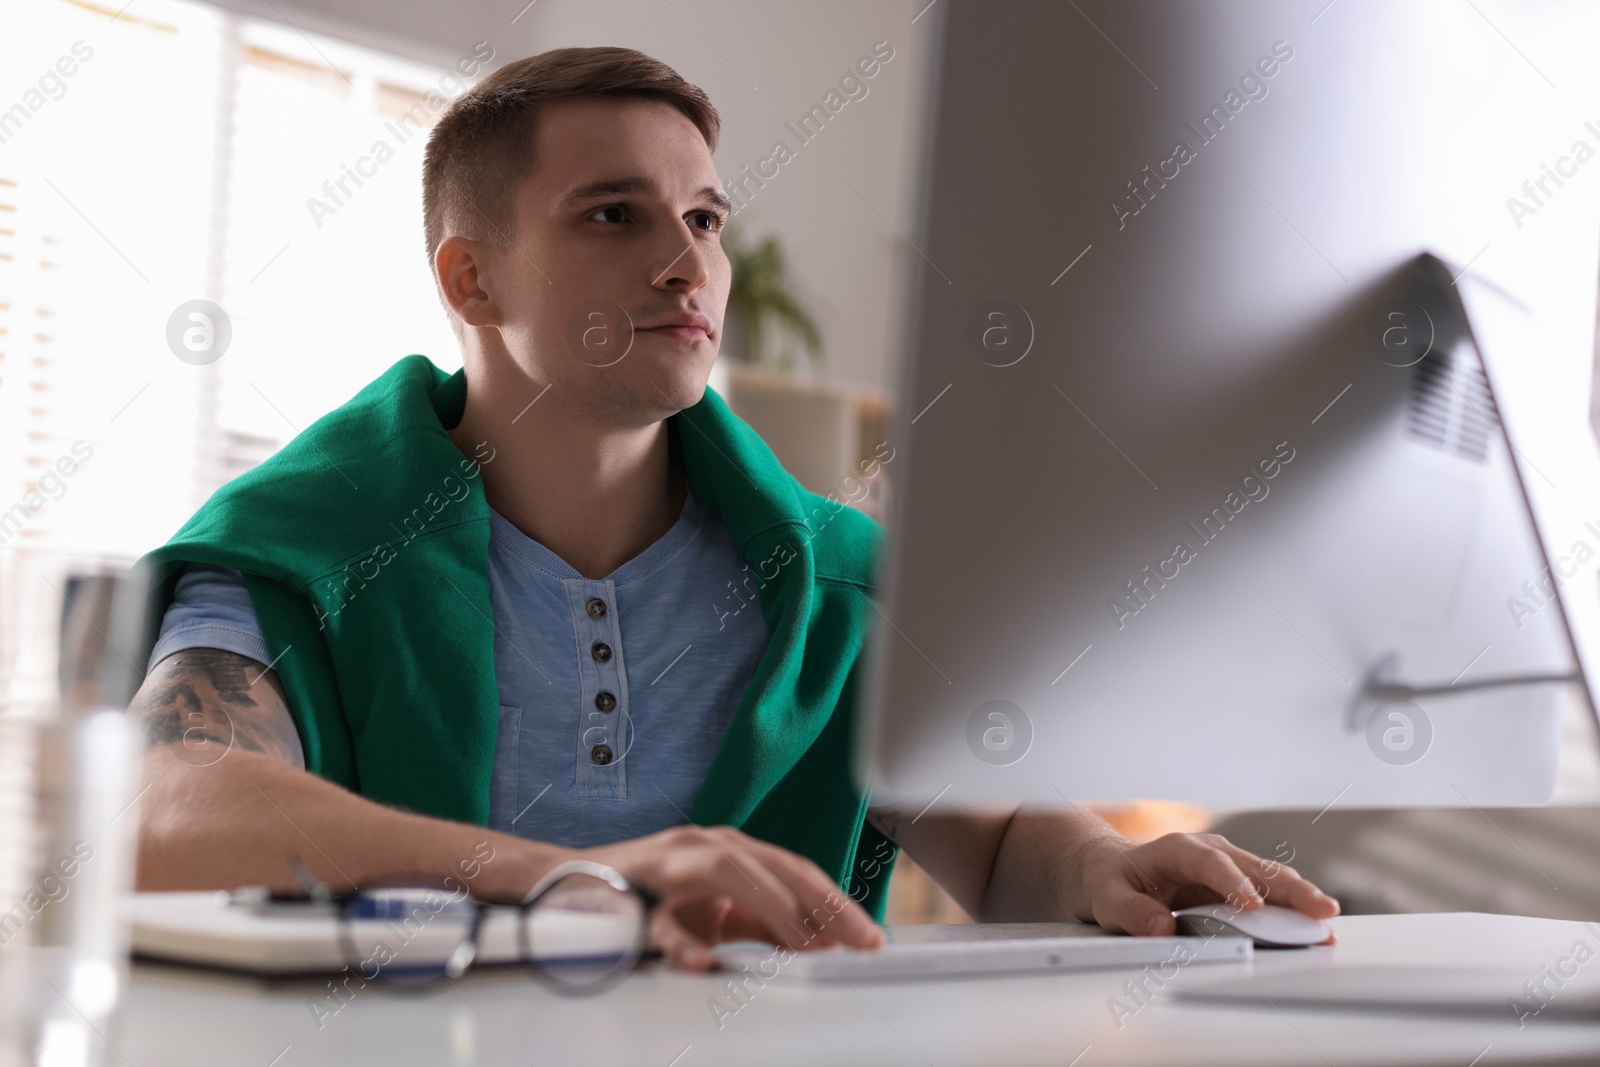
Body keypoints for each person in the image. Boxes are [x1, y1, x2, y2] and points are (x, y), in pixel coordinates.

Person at [130, 46, 1338, 971]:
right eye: (616, 214)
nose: (688, 263)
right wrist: (578, 881)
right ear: (471, 275)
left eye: (704, 217)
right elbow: (162, 807)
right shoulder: (302, 541)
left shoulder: (843, 580)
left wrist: (1105, 866)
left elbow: (1007, 832)